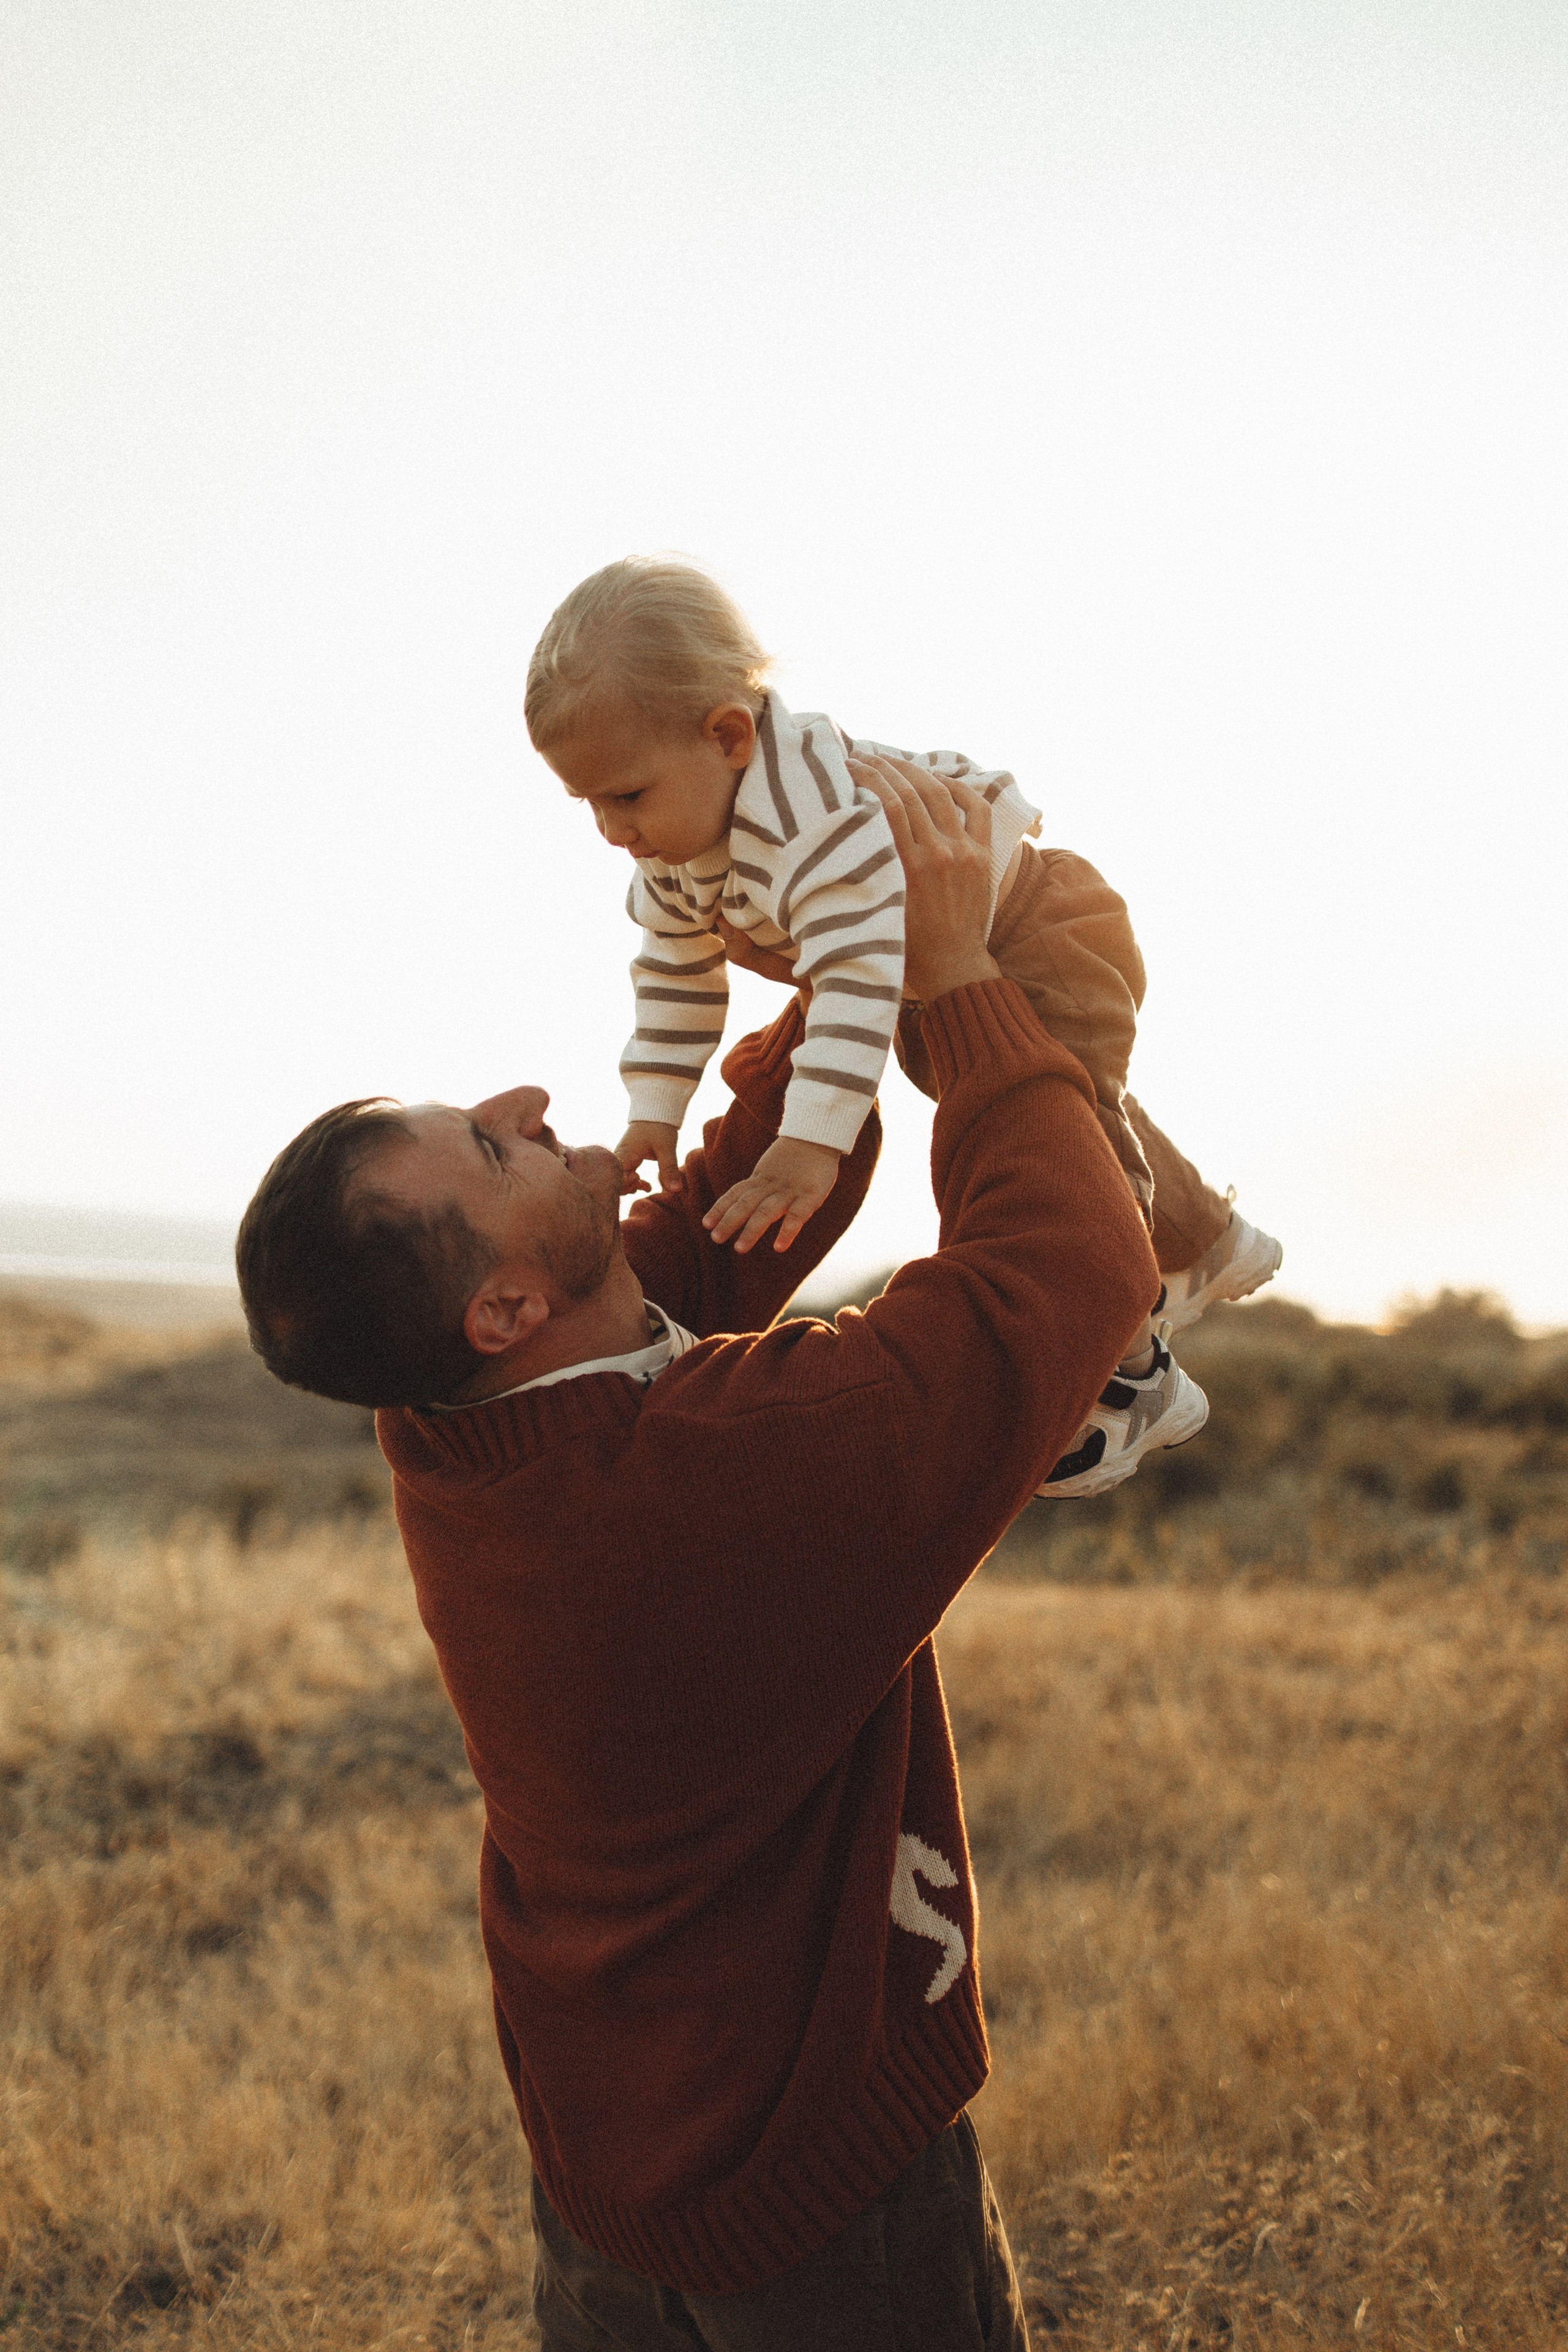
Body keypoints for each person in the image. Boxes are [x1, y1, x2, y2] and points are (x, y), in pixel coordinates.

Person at [236, 764, 1161, 2350]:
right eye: (492, 1142)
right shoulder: (711, 1473)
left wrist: (853, 931)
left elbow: (746, 1199)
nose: (530, 1102)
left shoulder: (462, 1419)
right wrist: (954, 980)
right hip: (800, 2175)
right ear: (505, 1310)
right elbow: (1064, 1278)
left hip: (616, 2124)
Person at [525, 556, 1282, 1496]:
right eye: (586, 802)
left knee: (1039, 1143)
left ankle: (1131, 1369)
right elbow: (674, 979)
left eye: (625, 795)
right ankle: (1206, 1238)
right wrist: (654, 1112)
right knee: (1043, 1104)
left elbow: (853, 974)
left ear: (727, 736)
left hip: (1041, 928)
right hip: (939, 969)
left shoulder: (811, 812)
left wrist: (808, 1145)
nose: (609, 829)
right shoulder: (675, 849)